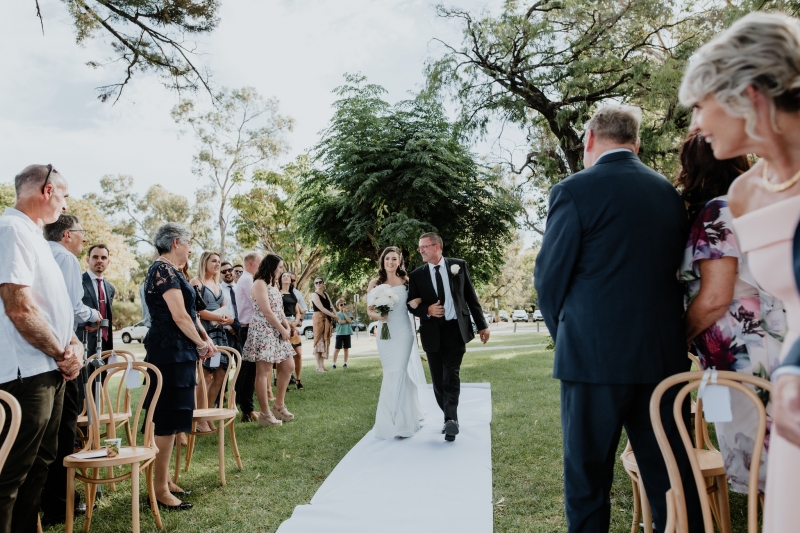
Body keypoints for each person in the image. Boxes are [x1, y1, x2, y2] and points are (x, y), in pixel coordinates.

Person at [533, 105, 702, 532]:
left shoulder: (572, 190)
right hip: (662, 360)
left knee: (587, 480)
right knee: (671, 477)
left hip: (591, 362)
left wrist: (568, 336)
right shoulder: (667, 193)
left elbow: (549, 281)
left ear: (590, 138)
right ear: (636, 144)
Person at [679, 12, 800, 531]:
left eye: (700, 105)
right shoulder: (745, 194)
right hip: (786, 391)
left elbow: (717, 296)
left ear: (747, 95)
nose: (697, 124)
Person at [676, 131, 785, 493]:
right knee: (777, 462)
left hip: (744, 356)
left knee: (765, 469)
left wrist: (679, 337)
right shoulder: (753, 205)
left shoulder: (718, 210)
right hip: (762, 345)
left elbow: (715, 297)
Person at [0, 164, 83, 533]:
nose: (65, 206)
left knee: (40, 464)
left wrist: (73, 345)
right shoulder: (11, 229)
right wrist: (61, 352)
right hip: (27, 372)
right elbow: (19, 307)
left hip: (49, 367)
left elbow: (55, 307)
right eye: (63, 195)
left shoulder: (35, 236)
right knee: (12, 472)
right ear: (47, 190)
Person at [143, 222, 217, 511]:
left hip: (181, 352)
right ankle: (159, 489)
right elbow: (179, 316)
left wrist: (205, 339)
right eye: (188, 243)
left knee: (176, 420)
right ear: (176, 242)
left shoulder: (174, 271)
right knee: (166, 420)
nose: (190, 249)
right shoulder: (161, 270)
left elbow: (191, 314)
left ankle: (166, 480)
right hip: (168, 353)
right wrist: (200, 344)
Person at [41, 214, 99, 525]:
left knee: (44, 436)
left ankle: (45, 499)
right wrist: (95, 315)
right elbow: (70, 308)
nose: (83, 238)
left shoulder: (38, 252)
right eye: (81, 232)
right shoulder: (64, 258)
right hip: (62, 355)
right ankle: (60, 503)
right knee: (64, 432)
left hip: (38, 355)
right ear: (67, 235)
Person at [407, 233, 489, 442]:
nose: (420, 250)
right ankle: (450, 418)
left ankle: (451, 420)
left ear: (436, 247)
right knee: (437, 380)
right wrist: (427, 310)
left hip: (455, 330)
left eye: (424, 247)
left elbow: (471, 297)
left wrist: (482, 326)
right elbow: (411, 305)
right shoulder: (416, 275)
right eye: (419, 247)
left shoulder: (458, 266)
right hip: (431, 332)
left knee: (450, 375)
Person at [368, 247, 426, 439]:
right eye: (387, 259)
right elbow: (369, 311)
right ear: (382, 261)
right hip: (385, 333)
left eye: (394, 259)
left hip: (404, 332)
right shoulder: (375, 283)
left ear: (399, 261)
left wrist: (418, 300)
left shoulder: (406, 281)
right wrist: (380, 316)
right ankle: (403, 416)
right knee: (391, 372)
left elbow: (418, 298)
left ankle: (401, 424)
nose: (390, 262)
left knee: (399, 370)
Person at [241, 254, 296, 427]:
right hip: (263, 330)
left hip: (277, 329)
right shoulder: (259, 283)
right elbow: (266, 311)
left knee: (288, 366)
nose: (281, 270)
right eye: (279, 267)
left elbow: (279, 310)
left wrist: (286, 326)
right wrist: (282, 329)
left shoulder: (273, 284)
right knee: (263, 372)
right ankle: (265, 414)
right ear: (271, 266)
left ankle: (278, 406)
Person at [190, 251, 234, 431]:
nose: (217, 264)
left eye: (219, 261)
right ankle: (199, 418)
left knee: (221, 373)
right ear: (204, 262)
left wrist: (229, 320)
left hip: (219, 332)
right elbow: (196, 311)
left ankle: (208, 414)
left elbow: (224, 309)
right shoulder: (196, 282)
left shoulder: (218, 285)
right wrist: (218, 316)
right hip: (204, 332)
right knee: (205, 375)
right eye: (214, 261)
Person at [235, 252, 262, 422]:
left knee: (250, 370)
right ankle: (247, 409)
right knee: (249, 371)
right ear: (251, 264)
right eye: (260, 263)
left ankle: (246, 408)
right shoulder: (247, 279)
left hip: (249, 328)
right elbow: (257, 303)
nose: (262, 267)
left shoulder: (246, 279)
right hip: (249, 328)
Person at [79, 244, 115, 354]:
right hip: (83, 343)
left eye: (103, 258)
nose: (99, 260)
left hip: (105, 345)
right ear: (87, 260)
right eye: (95, 257)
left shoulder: (110, 288)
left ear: (108, 262)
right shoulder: (78, 282)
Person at [279, 272, 304, 390]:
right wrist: (287, 323)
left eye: (288, 276)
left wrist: (296, 321)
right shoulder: (278, 293)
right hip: (283, 325)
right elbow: (278, 310)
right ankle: (284, 381)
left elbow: (298, 311)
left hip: (294, 326)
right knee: (283, 357)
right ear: (280, 279)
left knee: (298, 354)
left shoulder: (293, 294)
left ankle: (298, 380)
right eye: (284, 276)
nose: (286, 277)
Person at [311, 277, 337, 372]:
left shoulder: (326, 294)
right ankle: (318, 366)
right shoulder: (314, 295)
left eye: (320, 282)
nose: (318, 284)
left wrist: (336, 315)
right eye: (316, 282)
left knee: (325, 340)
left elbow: (331, 306)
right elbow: (322, 308)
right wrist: (333, 316)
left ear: (323, 283)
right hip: (318, 318)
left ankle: (322, 365)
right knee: (319, 341)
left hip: (327, 318)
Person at [220, 261, 242, 355]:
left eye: (229, 270)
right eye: (224, 271)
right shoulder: (218, 288)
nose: (228, 273)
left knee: (243, 361)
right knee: (226, 360)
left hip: (241, 329)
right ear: (220, 274)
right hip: (226, 331)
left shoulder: (240, 288)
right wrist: (229, 327)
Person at [332, 299, 353, 369]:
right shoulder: (337, 314)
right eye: (341, 305)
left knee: (346, 349)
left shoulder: (348, 313)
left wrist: (344, 313)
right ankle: (334, 364)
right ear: (338, 306)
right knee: (337, 349)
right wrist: (347, 321)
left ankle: (345, 363)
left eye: (344, 304)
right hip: (340, 334)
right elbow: (340, 322)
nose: (343, 306)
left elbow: (350, 320)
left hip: (347, 333)